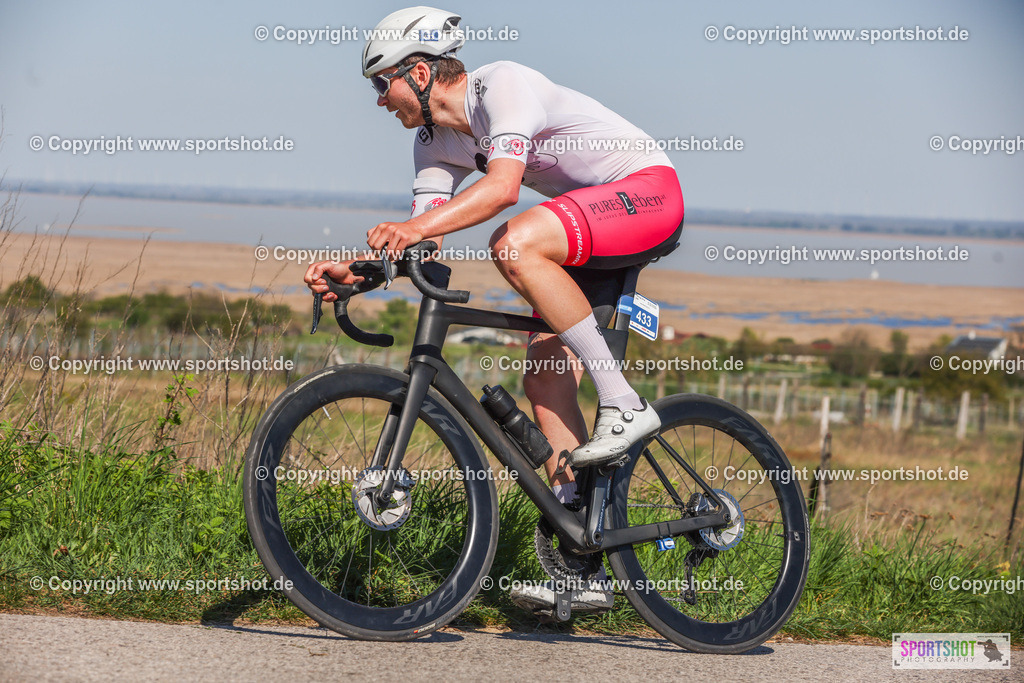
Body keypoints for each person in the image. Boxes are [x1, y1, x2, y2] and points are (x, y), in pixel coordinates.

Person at [304, 6, 684, 615]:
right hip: (584, 223)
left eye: (383, 83)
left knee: (512, 241)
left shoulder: (500, 86)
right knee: (545, 382)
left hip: (646, 194)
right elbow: (423, 237)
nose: (379, 100)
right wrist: (365, 271)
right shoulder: (434, 143)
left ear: (421, 73)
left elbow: (503, 187)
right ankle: (584, 558)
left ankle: (626, 406)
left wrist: (411, 227)